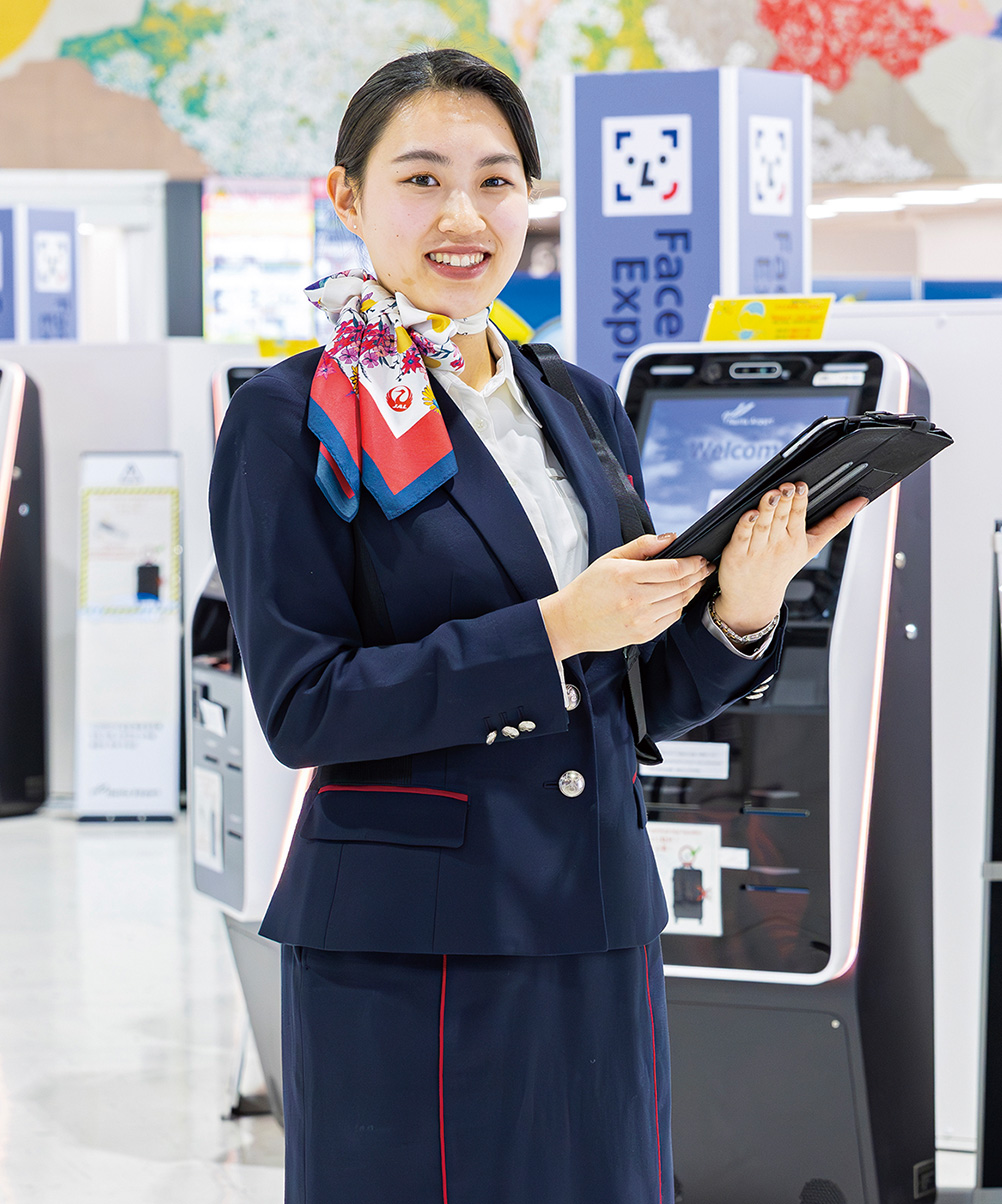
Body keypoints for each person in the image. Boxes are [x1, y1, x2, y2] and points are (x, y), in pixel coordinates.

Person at [208, 48, 865, 1204]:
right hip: (413, 944)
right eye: (422, 179)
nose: (464, 216)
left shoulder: (578, 402)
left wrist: (742, 607)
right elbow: (307, 705)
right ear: (348, 196)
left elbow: (635, 691)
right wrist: (555, 627)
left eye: (496, 181)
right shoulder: (288, 416)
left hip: (598, 913)